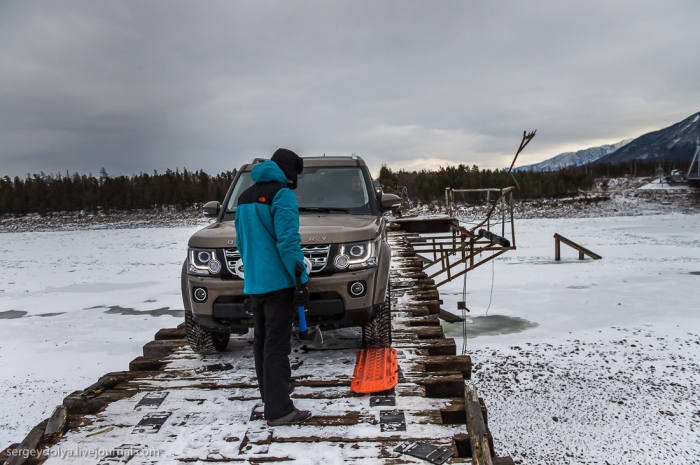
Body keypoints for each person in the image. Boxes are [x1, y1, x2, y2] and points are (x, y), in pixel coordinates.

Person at [234, 148, 312, 426]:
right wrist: (300, 280)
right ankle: (279, 410)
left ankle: (271, 394)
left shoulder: (244, 198)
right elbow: (288, 242)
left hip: (255, 282)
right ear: (289, 171)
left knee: (263, 342)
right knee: (277, 345)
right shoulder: (282, 195)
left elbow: (242, 242)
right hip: (279, 283)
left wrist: (254, 272)